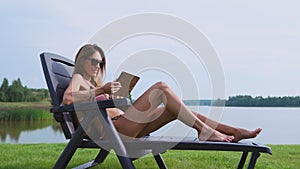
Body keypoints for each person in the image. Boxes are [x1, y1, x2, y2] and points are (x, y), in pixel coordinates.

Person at [63, 44, 262, 142]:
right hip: (114, 132)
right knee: (161, 88)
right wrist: (102, 91)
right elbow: (67, 99)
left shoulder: (92, 84)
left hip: (123, 125)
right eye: (94, 62)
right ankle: (205, 131)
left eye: (101, 63)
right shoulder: (79, 79)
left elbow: (99, 104)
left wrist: (115, 97)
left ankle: (233, 131)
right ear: (82, 61)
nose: (98, 66)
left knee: (176, 109)